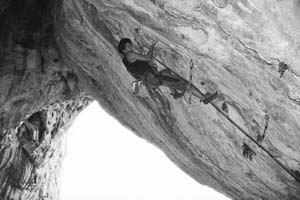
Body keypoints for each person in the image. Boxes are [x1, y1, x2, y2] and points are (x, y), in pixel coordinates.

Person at [117, 38, 217, 103]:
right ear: (124, 50)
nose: (131, 48)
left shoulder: (126, 61)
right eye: (129, 46)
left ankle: (175, 93)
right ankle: (204, 98)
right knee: (183, 83)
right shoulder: (130, 54)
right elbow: (148, 58)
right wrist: (152, 46)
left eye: (131, 45)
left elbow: (139, 69)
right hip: (155, 77)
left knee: (167, 72)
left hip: (150, 81)